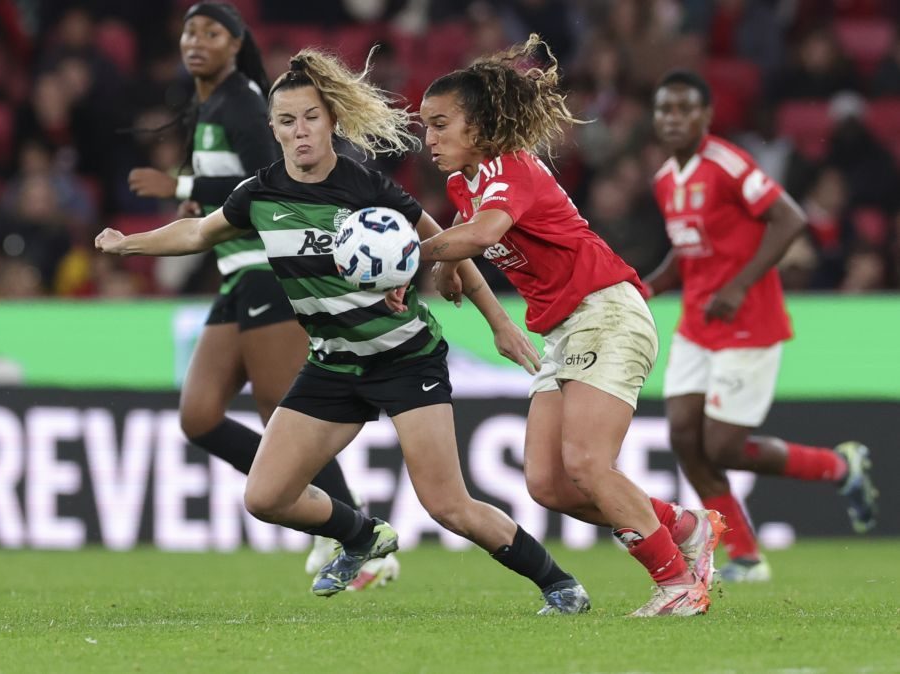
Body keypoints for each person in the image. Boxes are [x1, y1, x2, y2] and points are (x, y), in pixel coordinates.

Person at [97, 46, 592, 615]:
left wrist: (499, 323)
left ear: (331, 120)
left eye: (310, 117)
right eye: (287, 121)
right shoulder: (261, 194)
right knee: (265, 497)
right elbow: (195, 234)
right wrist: (127, 242)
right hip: (333, 363)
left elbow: (449, 246)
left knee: (448, 504)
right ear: (273, 129)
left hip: (405, 359)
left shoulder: (366, 187)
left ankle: (558, 583)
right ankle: (362, 536)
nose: (300, 131)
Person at [415, 35, 723, 617]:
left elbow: (482, 233)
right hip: (564, 330)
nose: (429, 139)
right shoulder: (467, 182)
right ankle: (683, 526)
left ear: (478, 126)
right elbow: (468, 228)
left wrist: (417, 256)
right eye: (425, 126)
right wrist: (449, 268)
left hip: (605, 311)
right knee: (549, 484)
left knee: (586, 464)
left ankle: (677, 583)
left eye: (440, 124)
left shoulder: (513, 168)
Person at [124, 1, 394, 588]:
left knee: (287, 415)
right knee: (199, 417)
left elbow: (272, 178)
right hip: (233, 271)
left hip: (270, 268)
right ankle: (343, 523)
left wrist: (186, 184)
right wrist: (198, 203)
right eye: (189, 30)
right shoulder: (211, 106)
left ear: (235, 41)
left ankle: (359, 539)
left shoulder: (246, 102)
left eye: (212, 32)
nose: (196, 40)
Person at [645, 70, 878, 582]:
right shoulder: (665, 178)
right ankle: (746, 556)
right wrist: (644, 288)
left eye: (684, 109)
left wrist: (740, 285)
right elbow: (685, 253)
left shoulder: (727, 163)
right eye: (664, 109)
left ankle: (838, 467)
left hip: (749, 322)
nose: (673, 118)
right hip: (697, 325)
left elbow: (790, 218)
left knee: (724, 447)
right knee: (685, 438)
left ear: (705, 116)